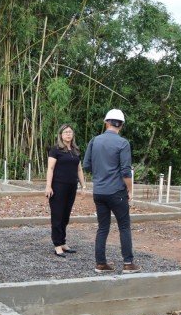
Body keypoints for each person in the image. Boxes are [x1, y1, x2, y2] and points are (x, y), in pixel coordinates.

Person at [83, 109, 141, 274]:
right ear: (121, 125)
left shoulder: (94, 141)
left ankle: (100, 263)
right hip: (116, 192)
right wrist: (130, 189)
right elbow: (125, 171)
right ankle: (128, 263)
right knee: (124, 226)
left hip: (99, 191)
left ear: (106, 122)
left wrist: (101, 172)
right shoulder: (123, 143)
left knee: (102, 227)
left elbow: (86, 165)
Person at [45, 124, 87, 257]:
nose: (68, 134)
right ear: (61, 135)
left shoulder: (75, 150)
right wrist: (48, 186)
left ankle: (63, 242)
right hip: (58, 186)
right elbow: (50, 169)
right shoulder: (55, 150)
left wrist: (83, 186)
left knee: (65, 216)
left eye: (70, 132)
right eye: (65, 132)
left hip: (71, 187)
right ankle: (57, 244)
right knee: (57, 215)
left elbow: (79, 169)